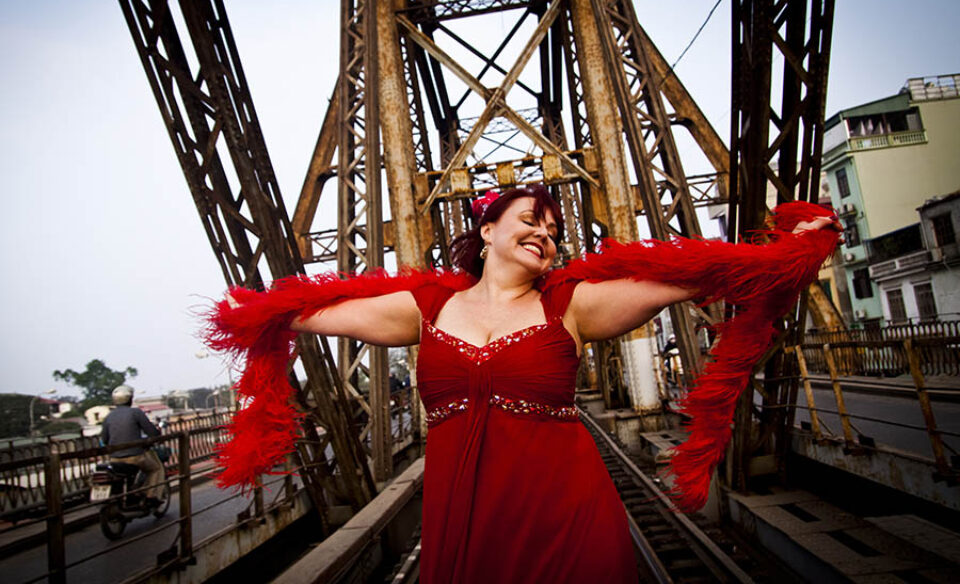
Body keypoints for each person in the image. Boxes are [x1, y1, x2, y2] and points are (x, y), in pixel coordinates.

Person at [208, 185, 840, 583]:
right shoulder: (423, 308)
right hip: (466, 508)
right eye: (531, 220)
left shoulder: (571, 303)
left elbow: (689, 276)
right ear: (486, 232)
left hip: (562, 503)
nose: (547, 232)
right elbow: (304, 311)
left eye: (555, 228)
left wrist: (786, 252)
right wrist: (257, 313)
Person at [100, 385, 165, 505]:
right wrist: (157, 435)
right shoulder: (136, 413)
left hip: (115, 458)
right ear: (130, 399)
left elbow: (104, 439)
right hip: (134, 457)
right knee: (155, 469)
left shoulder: (109, 417)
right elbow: (151, 432)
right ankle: (151, 496)